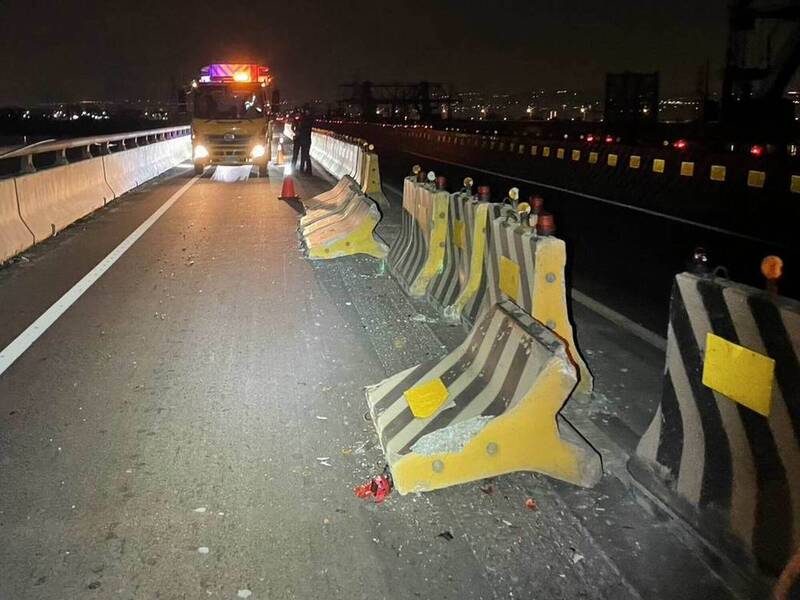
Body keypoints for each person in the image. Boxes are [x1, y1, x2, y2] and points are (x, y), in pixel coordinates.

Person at [297, 109, 314, 174]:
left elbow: (302, 129)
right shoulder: (307, 120)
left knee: (306, 155)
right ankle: (304, 168)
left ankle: (307, 169)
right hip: (305, 140)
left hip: (305, 140)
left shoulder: (306, 121)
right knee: (304, 154)